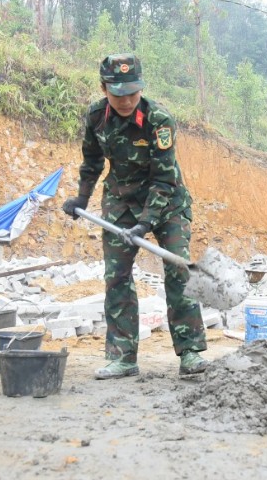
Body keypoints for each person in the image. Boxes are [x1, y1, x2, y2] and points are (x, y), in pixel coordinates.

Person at [61, 53, 207, 380]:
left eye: (133, 92)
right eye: (118, 93)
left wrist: (147, 222)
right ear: (104, 88)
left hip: (166, 201)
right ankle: (123, 356)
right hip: (120, 199)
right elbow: (92, 161)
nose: (126, 100)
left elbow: (164, 178)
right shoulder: (97, 117)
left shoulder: (159, 120)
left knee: (178, 266)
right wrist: (81, 198)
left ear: (141, 88)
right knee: (117, 276)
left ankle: (191, 351)